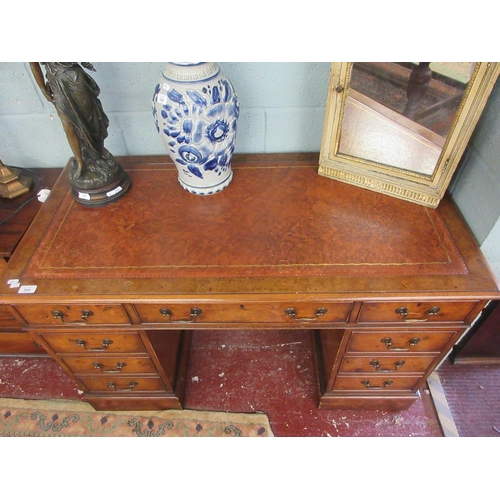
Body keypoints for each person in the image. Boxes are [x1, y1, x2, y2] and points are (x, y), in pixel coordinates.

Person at [30, 62, 109, 179]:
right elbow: (33, 64)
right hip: (56, 83)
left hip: (74, 77)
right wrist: (42, 87)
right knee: (68, 126)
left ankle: (97, 152)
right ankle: (80, 161)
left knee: (89, 120)